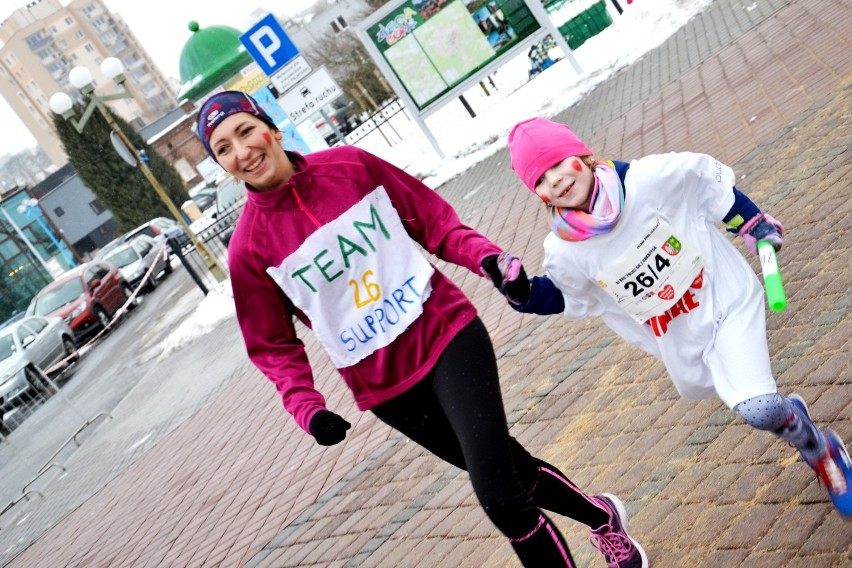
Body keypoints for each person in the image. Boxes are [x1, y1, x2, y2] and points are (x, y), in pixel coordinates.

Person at [196, 91, 649, 568]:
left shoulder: (350, 167)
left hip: (447, 335)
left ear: (271, 129)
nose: (241, 151)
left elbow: (435, 223)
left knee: (500, 498)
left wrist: (488, 259)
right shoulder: (248, 248)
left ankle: (596, 524)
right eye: (223, 148)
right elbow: (273, 347)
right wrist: (308, 408)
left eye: (245, 131)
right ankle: (601, 516)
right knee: (511, 470)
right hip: (386, 389)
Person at [504, 116, 852, 518]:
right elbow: (564, 294)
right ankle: (789, 414)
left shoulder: (648, 180)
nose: (557, 181)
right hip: (677, 337)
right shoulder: (564, 249)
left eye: (559, 163)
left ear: (581, 154)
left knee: (755, 407)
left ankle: (821, 450)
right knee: (751, 403)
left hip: (724, 300)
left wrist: (752, 222)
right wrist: (523, 294)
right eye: (542, 180)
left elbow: (704, 182)